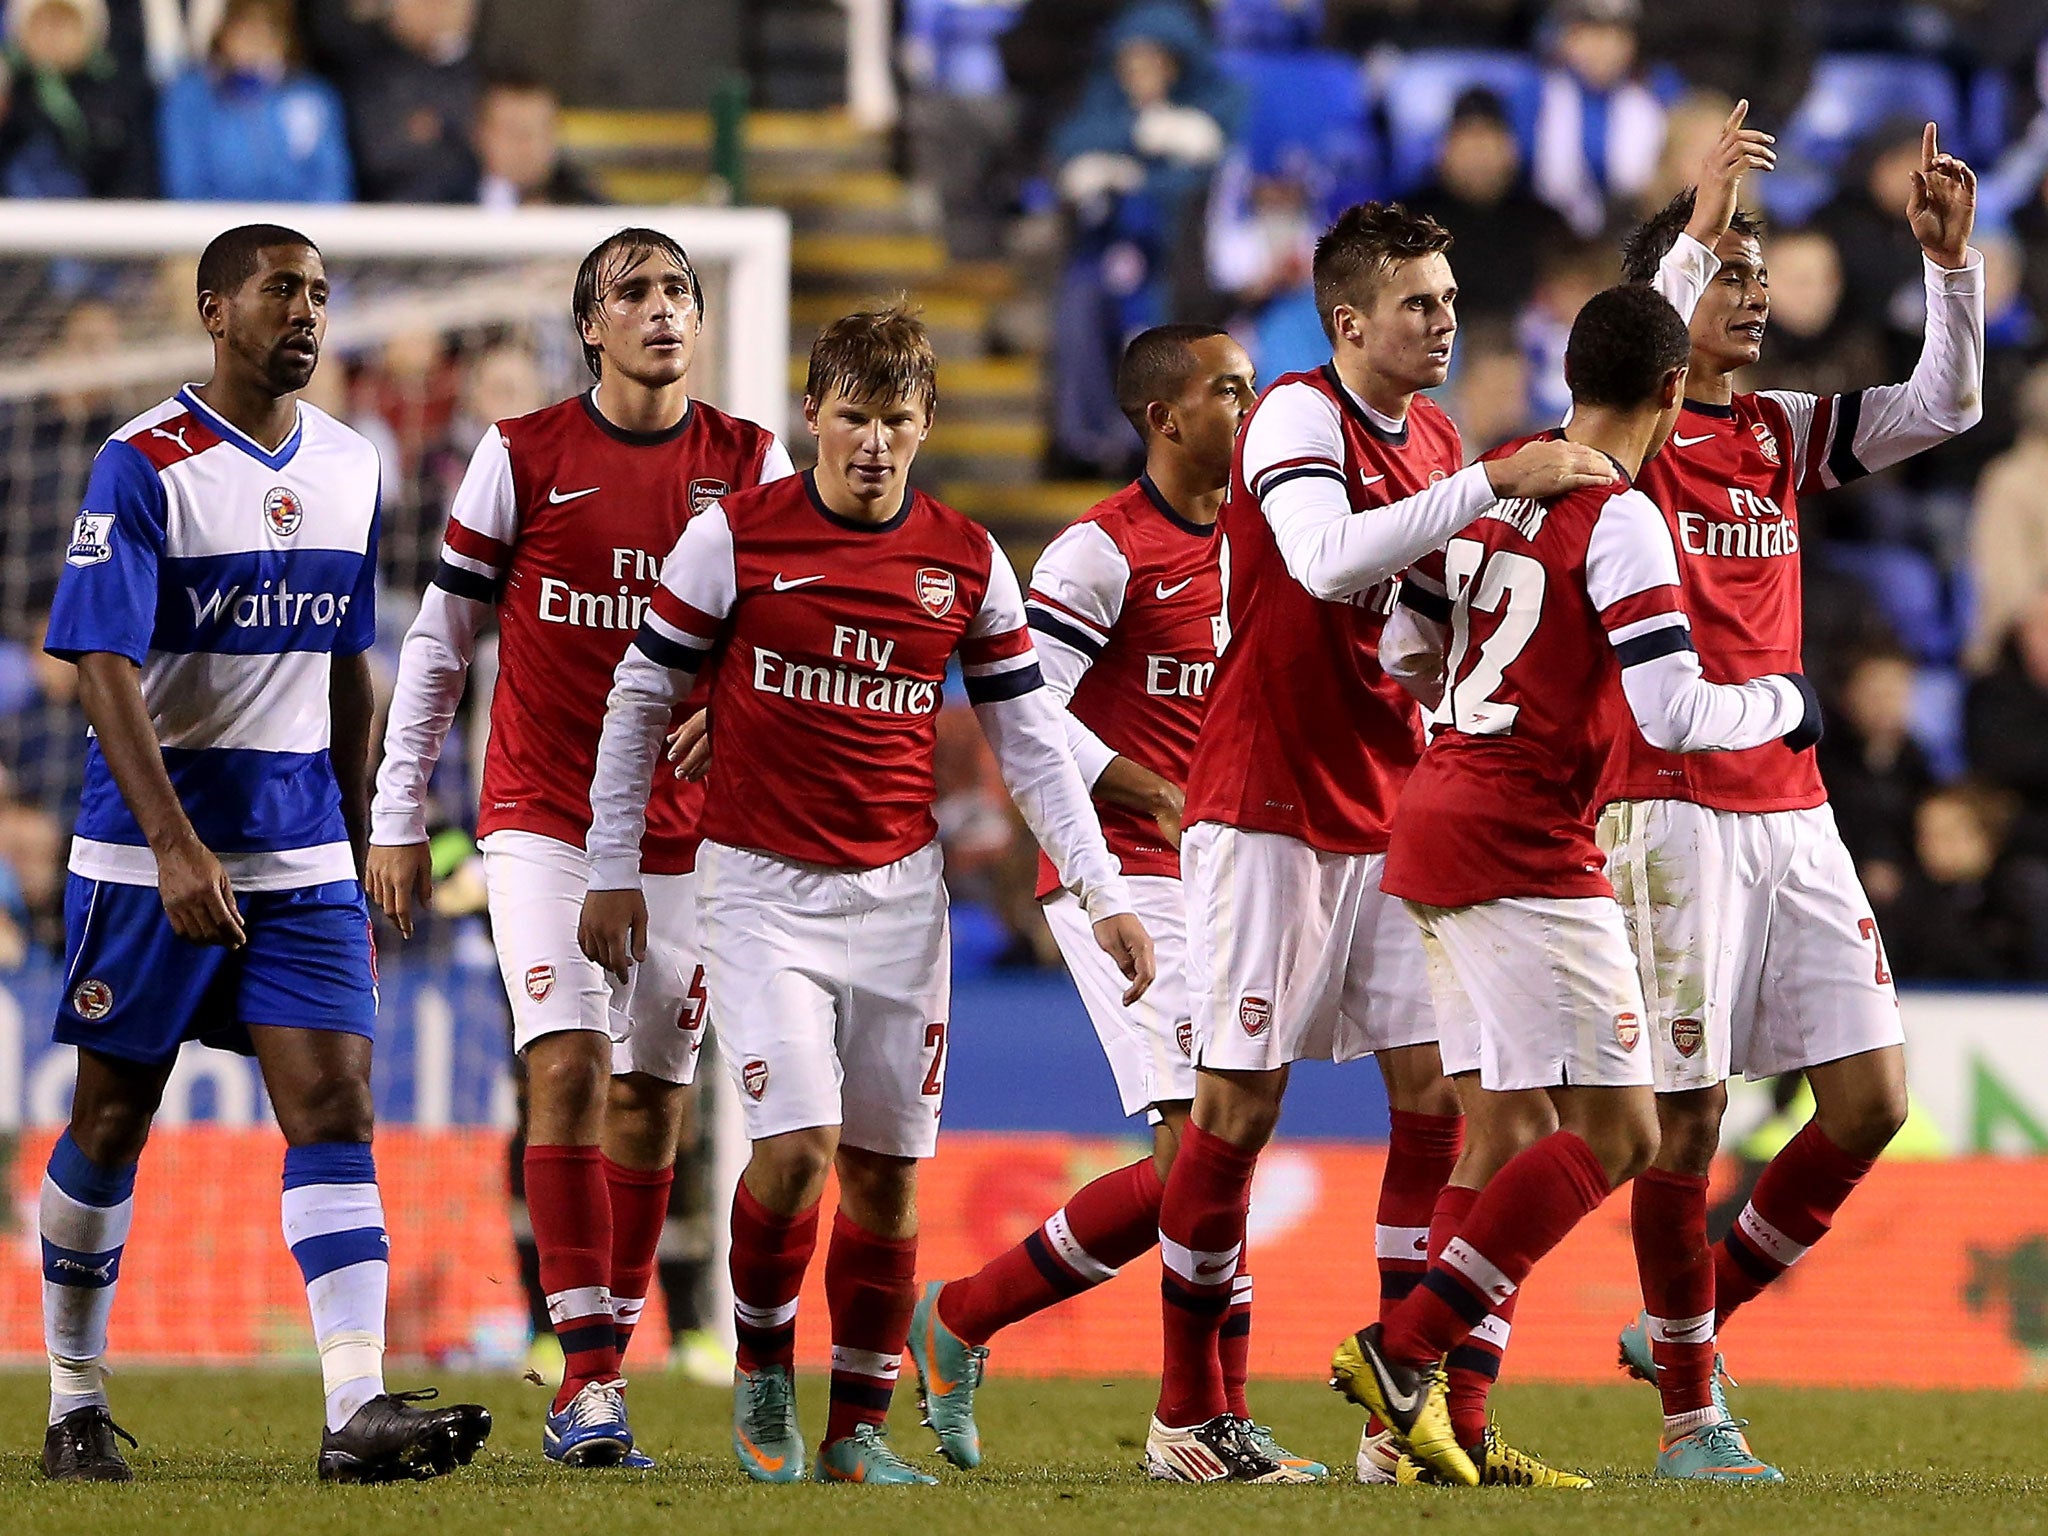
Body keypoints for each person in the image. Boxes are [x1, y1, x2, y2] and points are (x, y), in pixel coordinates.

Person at [578, 305, 1152, 1487]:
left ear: (926, 424)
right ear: (812, 418)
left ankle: (854, 1435)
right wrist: (609, 865)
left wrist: (1101, 890)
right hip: (757, 893)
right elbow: (640, 697)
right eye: (852, 418)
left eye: (896, 421)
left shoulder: (967, 558)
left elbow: (1032, 743)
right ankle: (759, 1371)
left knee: (888, 1177)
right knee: (795, 1150)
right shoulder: (734, 540)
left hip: (902, 902)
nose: (874, 445)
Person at [1148, 199, 1614, 1486]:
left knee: (1434, 1100)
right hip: (1265, 805)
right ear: (1347, 320)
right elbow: (1313, 559)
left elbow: (1407, 621)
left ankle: (1395, 1424)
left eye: (1450, 298)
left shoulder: (1445, 437)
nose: (1445, 318)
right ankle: (1191, 1416)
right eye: (1417, 302)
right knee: (1235, 1104)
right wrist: (1488, 486)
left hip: (1387, 809)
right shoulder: (1299, 414)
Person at [1333, 281, 1823, 1488]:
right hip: (1522, 839)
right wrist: (1783, 702)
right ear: (1670, 390)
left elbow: (1403, 640)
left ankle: (1427, 1434)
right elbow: (1672, 709)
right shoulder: (1621, 515)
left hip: (1435, 810)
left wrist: (1480, 700)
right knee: (1619, 1129)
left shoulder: (1502, 474)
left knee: (1496, 1135)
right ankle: (1403, 1355)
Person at [34, 222, 490, 1484]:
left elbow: (347, 668)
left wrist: (358, 843)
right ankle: (73, 1396)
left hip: (300, 856)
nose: (307, 311)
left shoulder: (354, 464)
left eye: (323, 294)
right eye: (282, 289)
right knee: (112, 1119)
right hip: (148, 858)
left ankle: (353, 1411)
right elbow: (103, 673)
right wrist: (177, 848)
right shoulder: (142, 464)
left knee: (336, 1102)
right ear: (213, 309)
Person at [366, 229, 793, 1468]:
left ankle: (605, 1359)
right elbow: (442, 647)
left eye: (679, 293)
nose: (662, 310)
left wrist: (740, 708)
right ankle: (589, 1382)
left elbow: (777, 634)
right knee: (565, 1072)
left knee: (657, 1102)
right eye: (635, 294)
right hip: (542, 820)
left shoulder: (748, 464)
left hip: (687, 837)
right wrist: (400, 813)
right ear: (588, 326)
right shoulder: (520, 457)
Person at [1606, 120, 1982, 1477]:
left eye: (1760, 277)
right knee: (1687, 1113)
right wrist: (1698, 221)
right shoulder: (1622, 439)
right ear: (1669, 304)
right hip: (1670, 801)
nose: (1753, 296)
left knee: (1874, 1099)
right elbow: (1637, 343)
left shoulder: (1775, 430)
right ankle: (1693, 1417)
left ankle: (1692, 1318)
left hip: (1793, 802)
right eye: (1729, 277)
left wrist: (1949, 272)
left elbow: (1939, 410)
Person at [905, 324, 1316, 1482]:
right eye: (1227, 389)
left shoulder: (1265, 540)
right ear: (1164, 416)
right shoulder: (1101, 550)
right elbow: (1028, 712)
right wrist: (1153, 789)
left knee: (1222, 1148)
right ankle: (1178, 1414)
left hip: (1238, 873)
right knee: (1200, 1143)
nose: (1249, 405)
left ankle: (977, 1323)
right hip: (1122, 871)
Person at [157, 0, 353, 203]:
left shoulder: (313, 98)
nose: (253, 45)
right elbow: (185, 185)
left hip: (297, 229)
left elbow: (332, 185)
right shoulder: (189, 97)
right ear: (223, 32)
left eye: (266, 33)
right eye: (244, 31)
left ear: (284, 40)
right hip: (213, 228)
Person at [472, 75, 604, 208]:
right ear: (480, 135)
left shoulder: (588, 208)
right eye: (512, 131)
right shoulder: (453, 200)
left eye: (538, 132)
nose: (525, 146)